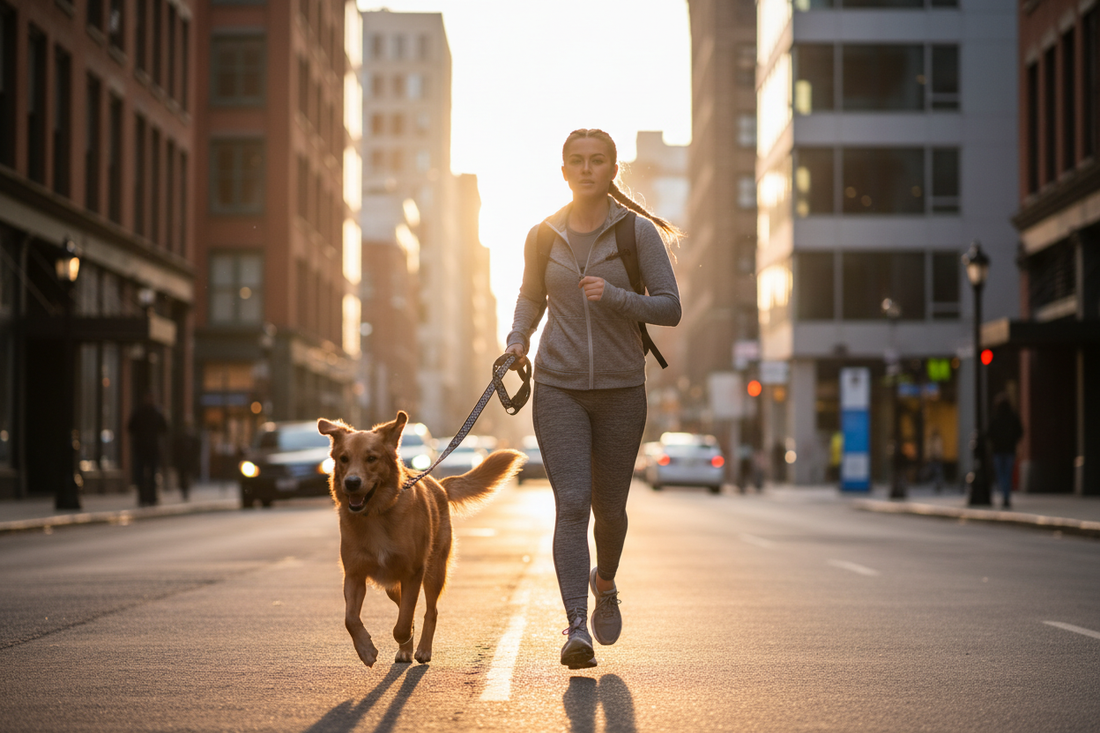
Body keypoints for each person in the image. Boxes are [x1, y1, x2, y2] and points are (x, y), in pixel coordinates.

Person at [505, 128, 681, 669]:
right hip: (558, 387)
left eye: (597, 161)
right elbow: (530, 296)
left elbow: (670, 308)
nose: (586, 169)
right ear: (563, 171)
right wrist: (516, 340)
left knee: (611, 510)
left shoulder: (637, 234)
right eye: (576, 161)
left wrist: (618, 297)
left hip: (622, 389)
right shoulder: (543, 234)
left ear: (612, 169)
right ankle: (575, 627)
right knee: (573, 503)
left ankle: (605, 583)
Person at [128, 391, 168, 507]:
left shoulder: (157, 413)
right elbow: (130, 427)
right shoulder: (139, 412)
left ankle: (152, 497)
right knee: (140, 474)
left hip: (153, 448)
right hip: (141, 448)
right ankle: (142, 498)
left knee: (153, 474)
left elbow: (165, 428)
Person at [988, 393, 1023, 509]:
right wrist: (1013, 441)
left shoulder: (996, 417)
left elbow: (989, 433)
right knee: (1007, 474)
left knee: (1001, 474)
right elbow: (1020, 431)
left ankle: (1005, 495)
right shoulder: (1012, 416)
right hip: (1009, 450)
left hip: (998, 451)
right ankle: (1006, 496)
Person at [172, 419, 202, 501]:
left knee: (188, 477)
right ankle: (184, 491)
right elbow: (175, 451)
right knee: (182, 477)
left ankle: (186, 491)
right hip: (182, 461)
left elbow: (197, 450)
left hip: (189, 462)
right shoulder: (179, 439)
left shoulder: (194, 440)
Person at [926, 427, 945, 493]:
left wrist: (939, 456)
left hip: (937, 458)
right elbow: (929, 449)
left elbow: (939, 449)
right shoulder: (930, 440)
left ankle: (938, 484)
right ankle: (935, 484)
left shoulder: (938, 440)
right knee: (933, 472)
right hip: (932, 458)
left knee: (938, 473)